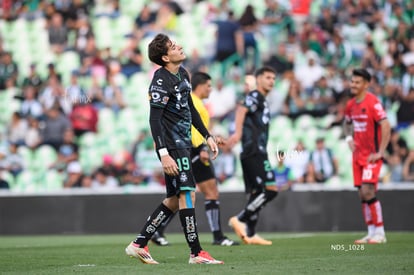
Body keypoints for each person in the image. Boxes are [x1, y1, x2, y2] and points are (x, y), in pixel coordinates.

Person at [124, 33, 223, 265]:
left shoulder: (183, 74)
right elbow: (154, 120)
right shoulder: (159, 81)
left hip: (185, 144)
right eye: (173, 46)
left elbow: (190, 108)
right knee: (188, 194)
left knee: (172, 199)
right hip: (173, 147)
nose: (179, 46)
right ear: (165, 57)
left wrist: (207, 136)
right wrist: (164, 153)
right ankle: (196, 253)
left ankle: (139, 243)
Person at [151, 72, 239, 247]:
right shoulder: (192, 103)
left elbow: (199, 129)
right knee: (203, 192)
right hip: (193, 151)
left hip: (192, 149)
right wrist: (203, 148)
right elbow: (187, 129)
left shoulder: (197, 103)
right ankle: (217, 236)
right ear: (199, 86)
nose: (210, 89)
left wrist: (211, 138)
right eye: (208, 85)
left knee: (184, 196)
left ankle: (157, 230)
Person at [227, 66, 279, 245]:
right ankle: (240, 219)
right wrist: (238, 133)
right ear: (258, 79)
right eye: (268, 77)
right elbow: (242, 109)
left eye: (273, 78)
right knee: (271, 190)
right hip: (254, 150)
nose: (271, 81)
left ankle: (250, 233)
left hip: (252, 150)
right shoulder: (255, 95)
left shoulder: (262, 99)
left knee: (256, 192)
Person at [343, 68, 391, 244]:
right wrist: (349, 138)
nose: (353, 85)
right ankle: (371, 232)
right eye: (352, 81)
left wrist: (381, 151)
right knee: (362, 195)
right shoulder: (351, 104)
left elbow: (386, 125)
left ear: (366, 84)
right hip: (358, 156)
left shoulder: (373, 103)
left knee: (367, 190)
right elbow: (346, 123)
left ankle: (380, 232)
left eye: (357, 82)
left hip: (371, 156)